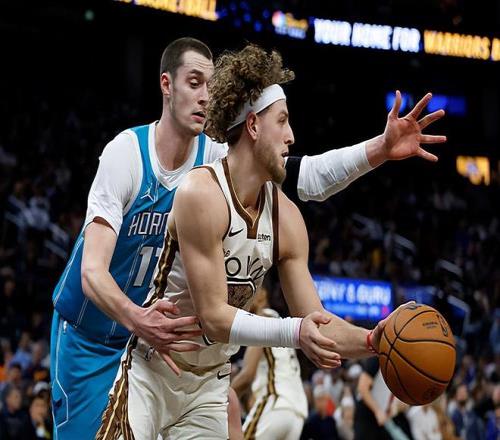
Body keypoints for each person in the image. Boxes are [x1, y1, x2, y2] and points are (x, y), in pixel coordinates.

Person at [51, 36, 446, 439]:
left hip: (200, 374)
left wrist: (375, 340)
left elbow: (309, 177)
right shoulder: (138, 159)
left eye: (210, 85)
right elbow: (96, 273)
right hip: (102, 334)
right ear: (166, 84)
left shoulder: (225, 161)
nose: (205, 95)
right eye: (194, 82)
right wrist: (138, 318)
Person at [231, 288, 308, 440]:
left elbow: (247, 375)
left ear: (262, 294)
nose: (242, 298)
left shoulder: (261, 320)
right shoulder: (279, 323)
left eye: (248, 292)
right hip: (297, 413)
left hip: (276, 403)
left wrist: (221, 399)